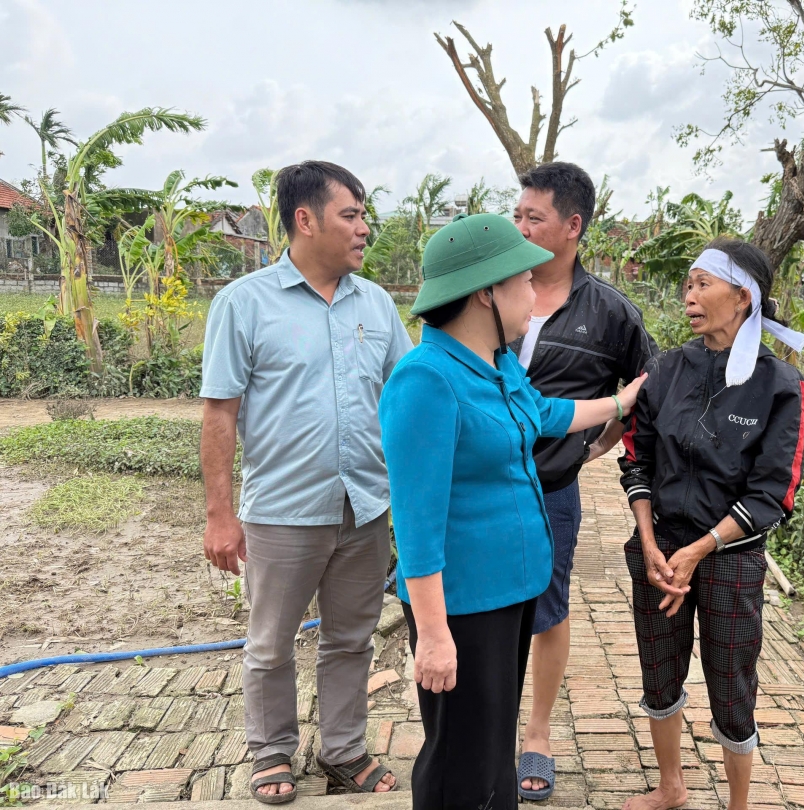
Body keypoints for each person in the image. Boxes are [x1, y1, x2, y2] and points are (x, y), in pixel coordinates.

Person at [379, 213, 646, 810]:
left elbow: (545, 415)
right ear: (485, 293)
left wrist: (619, 402)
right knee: (460, 762)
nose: (534, 293)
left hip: (512, 592)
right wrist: (434, 636)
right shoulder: (426, 380)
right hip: (463, 606)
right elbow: (415, 524)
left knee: (493, 744)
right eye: (524, 281)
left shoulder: (498, 364)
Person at [200, 161, 412, 802]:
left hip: (364, 508)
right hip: (283, 512)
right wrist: (219, 515)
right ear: (306, 219)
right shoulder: (244, 303)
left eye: (364, 215)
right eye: (351, 215)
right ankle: (271, 752)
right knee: (270, 644)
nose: (364, 228)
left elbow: (406, 395)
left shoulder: (376, 304)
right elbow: (220, 412)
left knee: (351, 639)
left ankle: (343, 751)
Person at [617, 238, 804, 810]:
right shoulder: (666, 371)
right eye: (688, 285)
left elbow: (774, 492)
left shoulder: (780, 386)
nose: (690, 296)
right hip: (661, 550)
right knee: (659, 669)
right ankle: (671, 786)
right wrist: (650, 543)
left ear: (743, 297)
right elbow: (637, 458)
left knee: (731, 682)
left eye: (703, 284)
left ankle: (738, 805)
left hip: (730, 557)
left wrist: (701, 548)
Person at [510, 162, 658, 800]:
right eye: (517, 215)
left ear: (572, 226)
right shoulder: (489, 289)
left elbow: (649, 388)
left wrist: (599, 444)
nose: (520, 227)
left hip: (551, 490)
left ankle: (538, 734)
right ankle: (484, 724)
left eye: (534, 217)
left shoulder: (611, 314)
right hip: (477, 484)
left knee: (548, 607)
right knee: (476, 606)